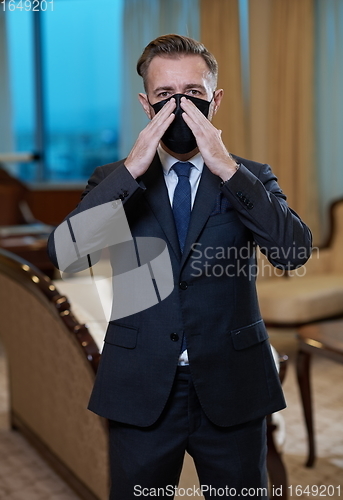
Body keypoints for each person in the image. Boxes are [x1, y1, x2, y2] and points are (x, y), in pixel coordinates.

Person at [48, 34, 312, 499]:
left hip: (233, 384)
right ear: (146, 105)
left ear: (215, 100)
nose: (179, 107)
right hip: (141, 385)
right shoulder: (113, 180)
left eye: (193, 95)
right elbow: (66, 254)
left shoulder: (249, 175)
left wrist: (226, 167)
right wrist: (132, 169)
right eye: (165, 96)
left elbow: (293, 252)